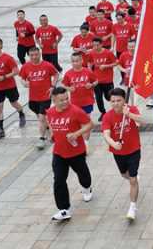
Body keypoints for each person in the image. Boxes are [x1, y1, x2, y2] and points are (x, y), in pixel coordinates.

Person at [46, 87, 94, 221]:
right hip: (59, 152)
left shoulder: (76, 111)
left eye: (66, 98)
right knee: (59, 180)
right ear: (54, 100)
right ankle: (63, 209)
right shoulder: (50, 112)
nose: (65, 102)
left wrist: (76, 134)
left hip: (76, 151)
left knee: (83, 173)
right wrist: (52, 134)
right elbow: (50, 124)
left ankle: (87, 188)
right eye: (61, 100)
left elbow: (90, 124)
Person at [102, 88, 144, 220]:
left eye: (118, 100)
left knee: (132, 179)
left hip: (134, 150)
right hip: (118, 152)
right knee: (124, 174)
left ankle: (132, 207)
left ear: (124, 100)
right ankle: (134, 179)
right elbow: (106, 134)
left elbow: (141, 121)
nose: (115, 104)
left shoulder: (131, 110)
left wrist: (129, 114)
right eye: (113, 101)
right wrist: (113, 144)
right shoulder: (107, 116)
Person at [0, 38, 26, 138]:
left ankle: (21, 113)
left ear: (1, 46)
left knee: (14, 103)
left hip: (9, 86)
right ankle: (0, 129)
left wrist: (3, 77)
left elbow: (16, 71)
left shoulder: (8, 58)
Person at [19, 47, 59, 149]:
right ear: (29, 56)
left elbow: (56, 74)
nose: (34, 57)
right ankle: (49, 128)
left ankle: (42, 138)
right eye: (32, 55)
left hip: (45, 96)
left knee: (41, 118)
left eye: (36, 54)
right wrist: (24, 83)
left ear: (40, 54)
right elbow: (22, 78)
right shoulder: (26, 67)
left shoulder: (47, 65)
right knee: (42, 118)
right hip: (33, 98)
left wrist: (52, 87)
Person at [62, 53, 97, 151]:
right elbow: (64, 85)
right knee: (75, 123)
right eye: (73, 61)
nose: (75, 63)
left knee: (86, 122)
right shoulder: (68, 73)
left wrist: (91, 85)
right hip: (74, 103)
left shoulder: (88, 72)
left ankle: (86, 143)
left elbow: (96, 81)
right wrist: (69, 88)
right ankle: (77, 139)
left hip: (87, 101)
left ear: (82, 61)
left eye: (77, 61)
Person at [87, 37, 117, 121]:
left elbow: (116, 63)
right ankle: (103, 112)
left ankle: (115, 110)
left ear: (101, 44)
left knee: (109, 97)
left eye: (97, 45)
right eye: (94, 45)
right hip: (96, 80)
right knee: (98, 97)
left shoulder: (108, 53)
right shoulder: (91, 53)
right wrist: (90, 71)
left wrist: (106, 66)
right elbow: (89, 62)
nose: (95, 47)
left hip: (108, 80)